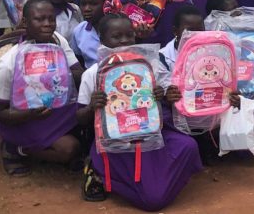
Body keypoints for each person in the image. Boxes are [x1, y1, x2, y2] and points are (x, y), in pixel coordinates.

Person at [77, 14, 203, 210]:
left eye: (129, 35)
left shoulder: (149, 65)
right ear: (102, 40)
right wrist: (92, 107)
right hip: (116, 142)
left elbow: (170, 94)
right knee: (153, 201)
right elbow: (80, 118)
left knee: (188, 147)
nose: (124, 41)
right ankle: (99, 173)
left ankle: (154, 179)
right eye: (116, 37)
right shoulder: (93, 73)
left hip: (150, 135)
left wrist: (161, 96)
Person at [0, 0, 82, 177]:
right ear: (25, 22)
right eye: (39, 19)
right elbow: (0, 113)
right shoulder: (9, 62)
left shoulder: (58, 41)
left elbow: (78, 71)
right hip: (24, 119)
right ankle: (16, 149)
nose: (47, 24)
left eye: (51, 19)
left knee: (80, 142)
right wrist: (30, 114)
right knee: (68, 150)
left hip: (58, 112)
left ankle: (54, 141)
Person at [70, 0, 110, 71]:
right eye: (83, 4)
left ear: (106, 3)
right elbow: (78, 60)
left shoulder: (117, 27)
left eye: (93, 4)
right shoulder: (79, 31)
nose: (87, 9)